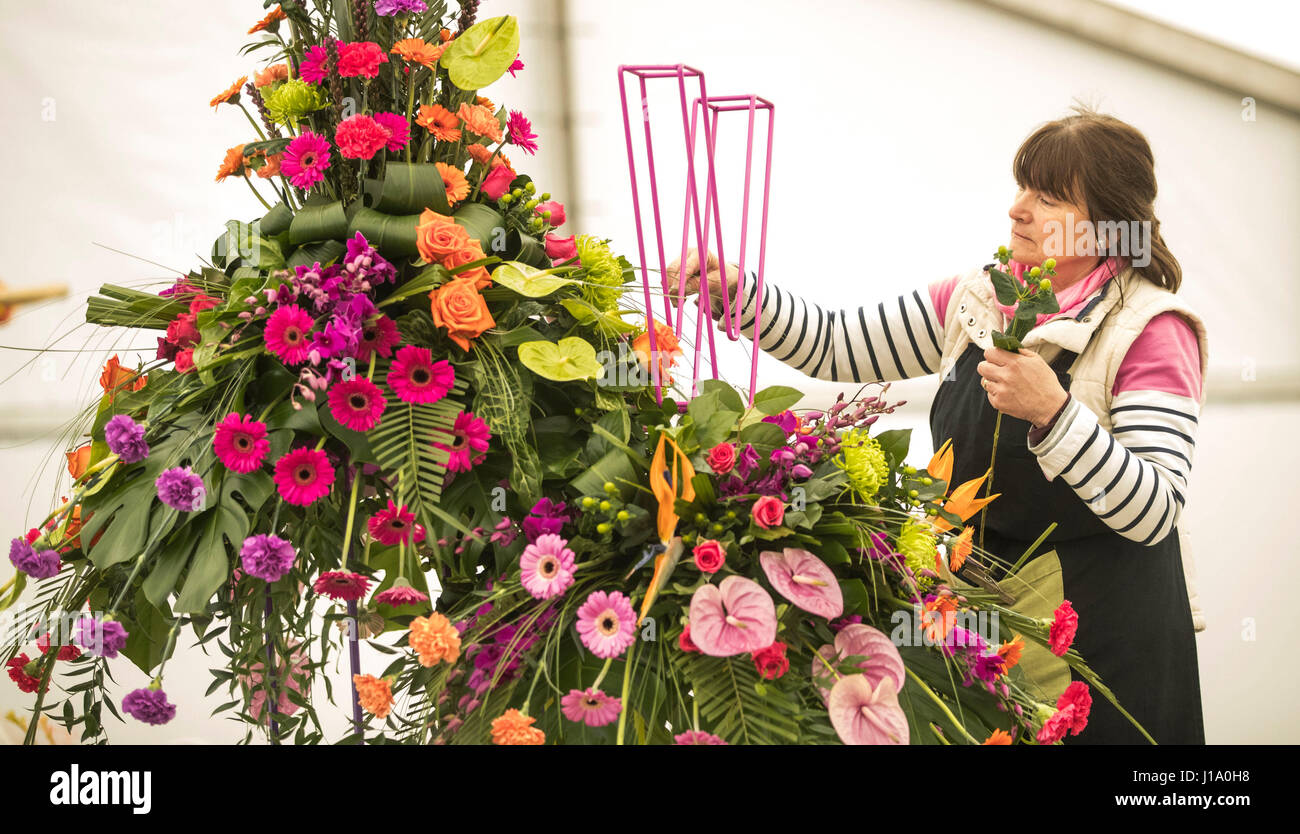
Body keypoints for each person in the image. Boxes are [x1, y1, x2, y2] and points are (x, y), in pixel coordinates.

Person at [668, 105, 1208, 745]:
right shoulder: (979, 295)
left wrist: (1053, 413)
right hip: (989, 628)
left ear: (1110, 225)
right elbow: (838, 345)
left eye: (1049, 197)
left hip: (1108, 646)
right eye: (1021, 188)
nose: (1018, 209)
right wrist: (740, 293)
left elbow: (1155, 510)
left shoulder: (1153, 328)